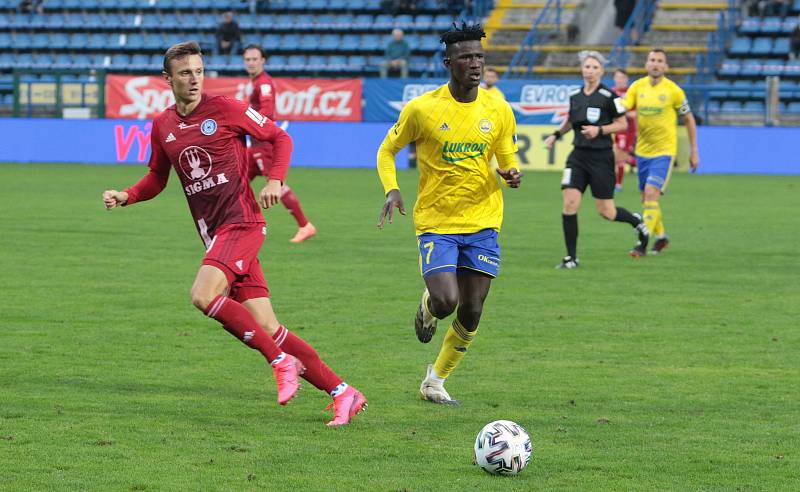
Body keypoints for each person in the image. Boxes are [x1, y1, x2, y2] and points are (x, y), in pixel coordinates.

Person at [102, 42, 365, 426]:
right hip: (216, 236)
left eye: (198, 70)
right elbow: (158, 178)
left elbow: (281, 138)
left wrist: (275, 180)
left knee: (202, 294)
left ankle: (279, 362)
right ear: (168, 79)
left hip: (242, 223)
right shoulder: (163, 125)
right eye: (185, 73)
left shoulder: (225, 108)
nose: (194, 79)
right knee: (270, 327)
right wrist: (126, 196)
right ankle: (343, 392)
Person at [376, 23, 522, 404]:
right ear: (448, 63)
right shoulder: (423, 109)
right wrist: (392, 188)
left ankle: (435, 380)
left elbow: (507, 162)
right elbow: (386, 151)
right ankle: (428, 305)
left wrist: (510, 174)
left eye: (479, 57)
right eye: (466, 58)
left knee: (472, 310)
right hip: (437, 222)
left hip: (483, 221)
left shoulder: (498, 109)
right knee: (446, 302)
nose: (475, 64)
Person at [544, 51, 649, 269]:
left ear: (601, 71)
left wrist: (599, 130)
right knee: (570, 203)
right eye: (587, 67)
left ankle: (637, 222)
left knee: (607, 212)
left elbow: (623, 124)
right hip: (578, 156)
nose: (590, 70)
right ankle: (571, 258)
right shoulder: (575, 96)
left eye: (594, 67)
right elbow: (570, 120)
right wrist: (556, 135)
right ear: (582, 69)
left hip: (601, 158)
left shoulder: (611, 97)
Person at [622, 48, 699, 255]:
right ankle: (662, 237)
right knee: (647, 199)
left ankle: (642, 243)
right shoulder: (637, 87)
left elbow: (689, 118)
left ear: (665, 66)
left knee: (650, 194)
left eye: (659, 61)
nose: (655, 64)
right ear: (646, 64)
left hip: (664, 152)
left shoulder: (673, 91)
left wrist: (694, 151)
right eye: (652, 60)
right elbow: (624, 106)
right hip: (642, 151)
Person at [243, 44, 317, 243]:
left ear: (263, 60)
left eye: (254, 59)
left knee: (275, 183)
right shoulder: (258, 82)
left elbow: (267, 112)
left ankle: (305, 225)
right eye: (247, 59)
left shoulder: (264, 84)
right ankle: (237, 223)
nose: (250, 63)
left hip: (263, 144)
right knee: (237, 182)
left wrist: (247, 124)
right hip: (254, 146)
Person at [611, 68, 637, 192]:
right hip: (612, 129)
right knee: (616, 157)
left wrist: (621, 114)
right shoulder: (611, 92)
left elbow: (635, 114)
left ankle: (618, 185)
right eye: (617, 77)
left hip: (626, 130)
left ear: (626, 79)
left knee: (618, 157)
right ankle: (635, 162)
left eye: (622, 77)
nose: (619, 80)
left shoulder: (631, 93)